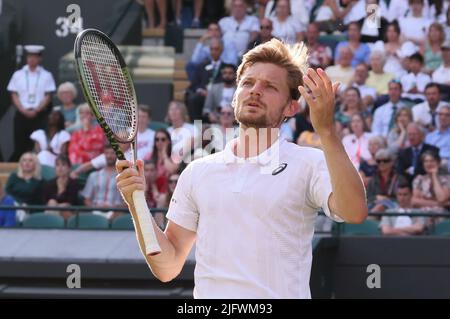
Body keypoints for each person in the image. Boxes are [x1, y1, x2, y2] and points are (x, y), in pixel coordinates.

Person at [116, 38, 367, 298]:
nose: (255, 90)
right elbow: (167, 267)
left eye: (270, 86)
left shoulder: (309, 163)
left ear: (291, 107)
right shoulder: (197, 171)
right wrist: (137, 203)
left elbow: (354, 211)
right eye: (247, 83)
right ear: (235, 96)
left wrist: (325, 130)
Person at [7, 45, 56, 161]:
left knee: (39, 143)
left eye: (34, 57)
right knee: (20, 144)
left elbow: (48, 95)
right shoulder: (18, 74)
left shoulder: (46, 75)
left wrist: (37, 109)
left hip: (39, 115)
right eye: (29, 56)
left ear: (40, 58)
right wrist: (23, 110)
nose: (31, 59)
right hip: (21, 114)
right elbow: (14, 94)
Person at [81, 144, 125, 220]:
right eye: (107, 153)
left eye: (112, 153)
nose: (109, 156)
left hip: (116, 212)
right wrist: (95, 207)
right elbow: (86, 200)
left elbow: (127, 202)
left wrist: (114, 207)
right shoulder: (93, 176)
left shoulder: (124, 177)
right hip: (95, 211)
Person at [43, 155, 79, 220]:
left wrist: (62, 189)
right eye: (57, 165)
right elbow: (45, 202)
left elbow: (70, 203)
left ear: (69, 168)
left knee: (56, 205)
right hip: (51, 210)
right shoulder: (49, 183)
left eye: (63, 165)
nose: (60, 168)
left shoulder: (73, 183)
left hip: (68, 213)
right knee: (52, 202)